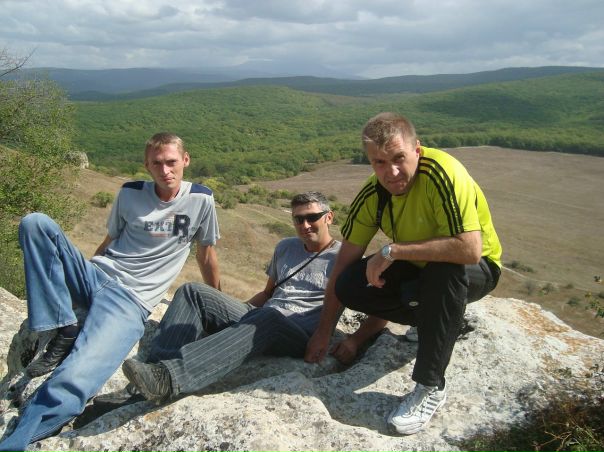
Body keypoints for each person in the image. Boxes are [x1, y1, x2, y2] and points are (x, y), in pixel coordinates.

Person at [0, 133, 221, 452]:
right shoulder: (130, 193)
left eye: (172, 162)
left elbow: (206, 255)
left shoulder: (201, 199)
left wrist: (217, 302)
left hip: (129, 301)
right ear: (147, 165)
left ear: (185, 160)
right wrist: (84, 275)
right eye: (157, 163)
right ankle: (63, 324)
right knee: (36, 223)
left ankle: (15, 442)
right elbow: (110, 241)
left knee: (76, 376)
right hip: (96, 274)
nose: (165, 170)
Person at [305, 113, 502, 435]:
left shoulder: (442, 174)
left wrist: (392, 251)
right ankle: (436, 321)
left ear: (417, 150)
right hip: (421, 268)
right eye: (379, 162)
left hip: (476, 268)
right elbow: (344, 263)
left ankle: (430, 385)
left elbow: (468, 250)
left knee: (443, 270)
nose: (391, 172)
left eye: (399, 158)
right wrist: (324, 331)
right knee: (351, 284)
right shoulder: (374, 193)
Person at [121, 192, 341, 403]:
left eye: (312, 217)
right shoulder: (286, 247)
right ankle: (149, 379)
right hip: (263, 317)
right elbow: (268, 293)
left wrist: (346, 339)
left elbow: (354, 304)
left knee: (268, 317)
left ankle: (171, 378)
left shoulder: (341, 258)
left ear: (329, 217)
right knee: (192, 291)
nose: (305, 225)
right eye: (298, 219)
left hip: (298, 332)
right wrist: (235, 313)